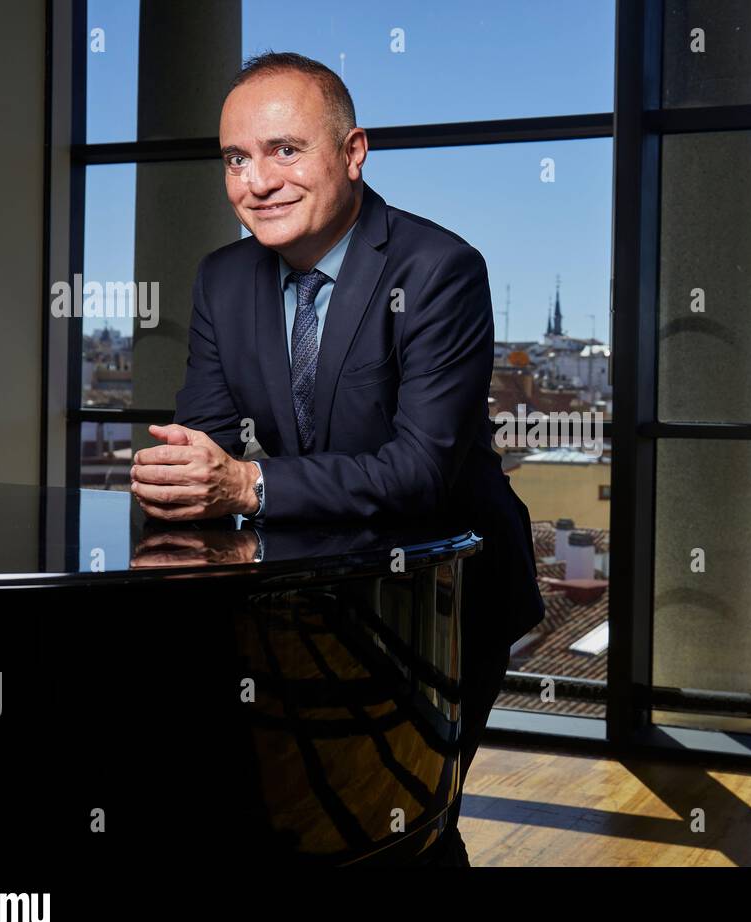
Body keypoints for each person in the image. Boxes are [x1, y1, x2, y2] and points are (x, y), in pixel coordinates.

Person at [128, 51, 544, 865]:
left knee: (411, 826)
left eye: (285, 150)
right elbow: (203, 440)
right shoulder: (221, 280)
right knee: (299, 819)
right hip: (310, 585)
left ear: (353, 153)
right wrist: (178, 475)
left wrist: (247, 481)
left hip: (445, 594)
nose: (256, 181)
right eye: (237, 159)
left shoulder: (438, 271)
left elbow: (420, 472)